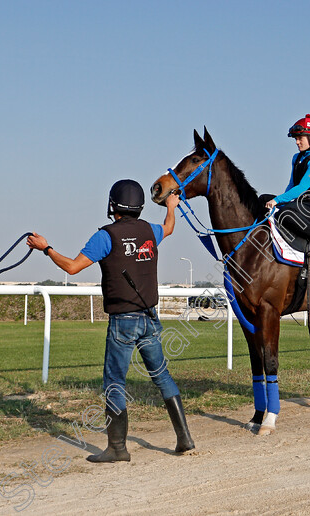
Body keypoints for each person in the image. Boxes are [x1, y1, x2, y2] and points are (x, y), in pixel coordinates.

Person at [26, 180, 194, 462]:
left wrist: (46, 248)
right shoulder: (150, 231)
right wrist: (171, 207)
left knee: (115, 382)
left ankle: (117, 448)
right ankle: (184, 438)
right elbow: (168, 228)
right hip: (150, 317)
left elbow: (72, 267)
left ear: (113, 205)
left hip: (123, 321)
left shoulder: (105, 236)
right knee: (161, 375)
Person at [262, 114, 310, 254]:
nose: (297, 142)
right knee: (263, 198)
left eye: (300, 138)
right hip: (298, 203)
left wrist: (277, 201)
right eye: (296, 139)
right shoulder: (297, 158)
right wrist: (278, 201)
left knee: (285, 214)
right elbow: (292, 185)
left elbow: (301, 188)